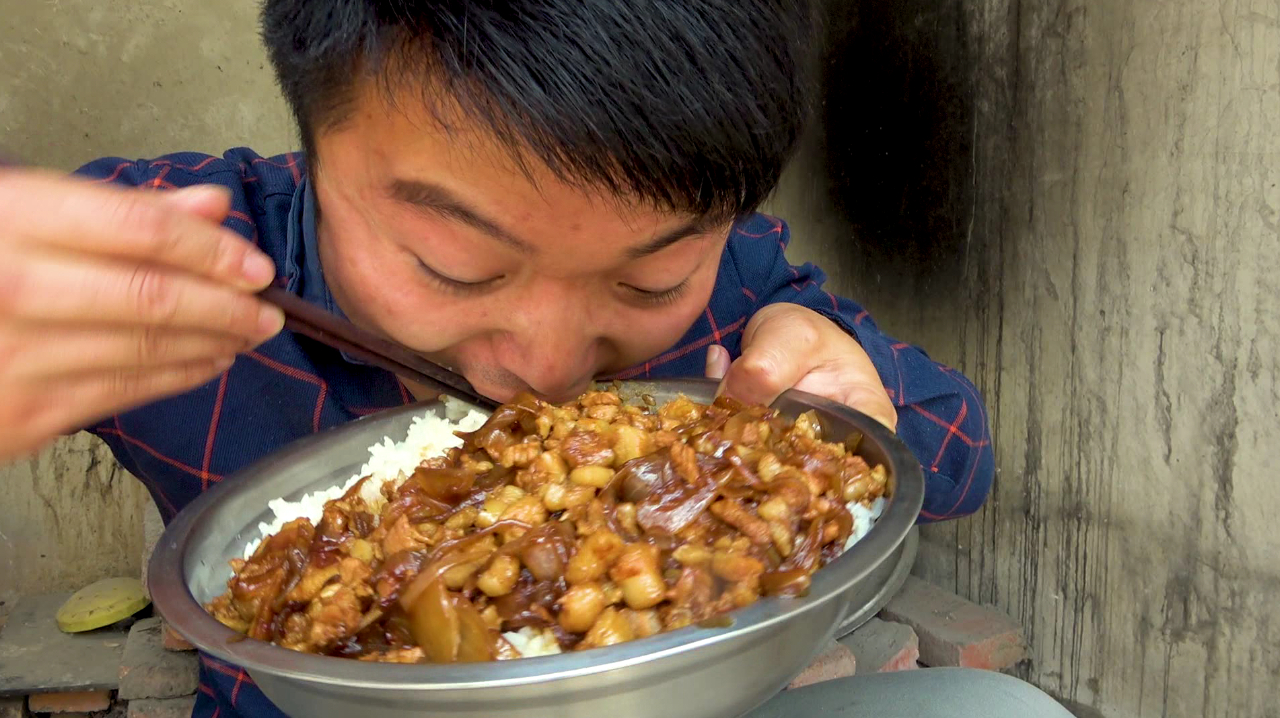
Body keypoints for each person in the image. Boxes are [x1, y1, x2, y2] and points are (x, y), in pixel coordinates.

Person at [0, 1, 1067, 715]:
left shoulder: (734, 296)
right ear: (312, 149)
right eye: (455, 266)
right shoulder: (174, 266)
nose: (548, 366)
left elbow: (959, 454)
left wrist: (846, 380)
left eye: (646, 283)